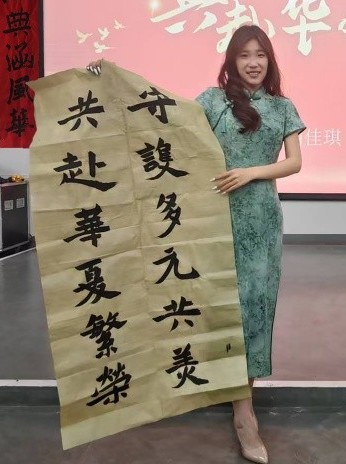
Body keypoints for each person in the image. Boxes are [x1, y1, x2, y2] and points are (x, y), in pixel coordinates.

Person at [89, 24, 304, 464]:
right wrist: (108, 81)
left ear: (270, 60)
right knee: (218, 304)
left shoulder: (283, 107)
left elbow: (295, 163)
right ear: (231, 60)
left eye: (260, 54)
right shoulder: (212, 101)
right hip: (213, 217)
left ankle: (244, 410)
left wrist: (251, 172)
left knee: (255, 307)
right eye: (244, 55)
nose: (253, 63)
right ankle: (230, 393)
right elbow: (160, 117)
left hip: (261, 219)